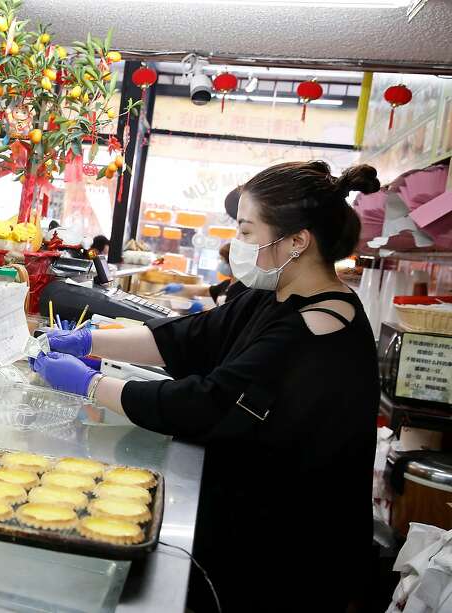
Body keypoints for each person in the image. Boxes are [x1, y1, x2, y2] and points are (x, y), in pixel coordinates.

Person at [31, 161, 381, 612]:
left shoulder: (320, 325)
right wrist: (87, 340)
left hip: (288, 548)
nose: (239, 244)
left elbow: (209, 404)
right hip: (251, 517)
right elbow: (185, 338)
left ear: (297, 242)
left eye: (248, 232)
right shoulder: (271, 296)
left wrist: (92, 384)